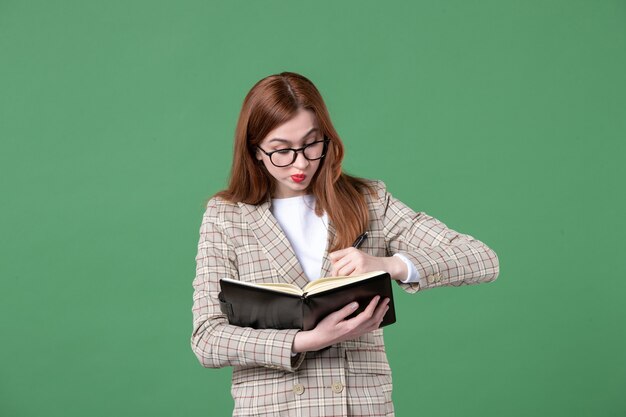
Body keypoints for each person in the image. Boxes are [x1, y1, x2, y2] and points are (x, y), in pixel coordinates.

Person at [191, 72, 500, 417]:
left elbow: (482, 259)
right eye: (281, 151)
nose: (301, 162)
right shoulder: (227, 217)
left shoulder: (367, 200)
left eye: (312, 144)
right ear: (255, 151)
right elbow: (207, 338)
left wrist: (389, 265)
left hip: (359, 407)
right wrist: (305, 341)